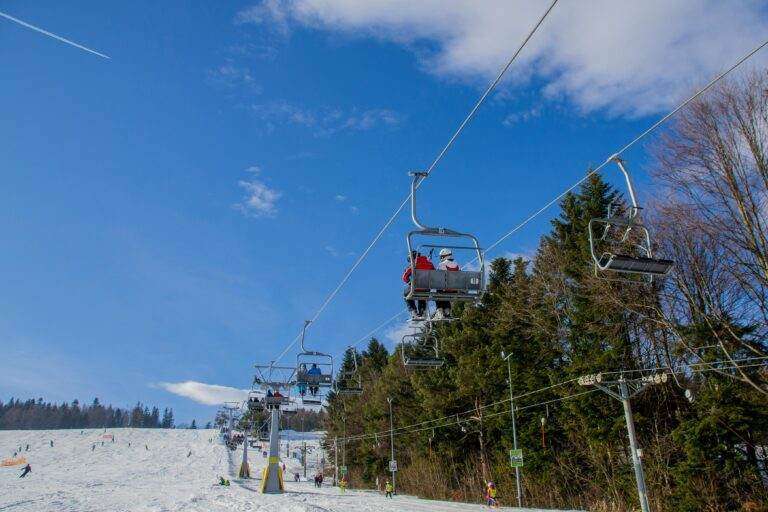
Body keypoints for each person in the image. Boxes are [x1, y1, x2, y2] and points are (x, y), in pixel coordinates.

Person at [402, 251, 435, 319]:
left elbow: (404, 277)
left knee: (406, 294)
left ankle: (413, 311)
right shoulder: (430, 264)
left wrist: (409, 282)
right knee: (422, 295)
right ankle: (422, 311)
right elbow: (435, 274)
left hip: (416, 288)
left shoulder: (413, 265)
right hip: (426, 288)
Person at [435, 248, 460, 319]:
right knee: (445, 294)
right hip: (455, 288)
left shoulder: (442, 264)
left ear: (444, 256)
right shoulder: (457, 264)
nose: (441, 258)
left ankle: (440, 311)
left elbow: (438, 276)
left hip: (445, 287)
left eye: (441, 257)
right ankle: (447, 311)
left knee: (438, 293)